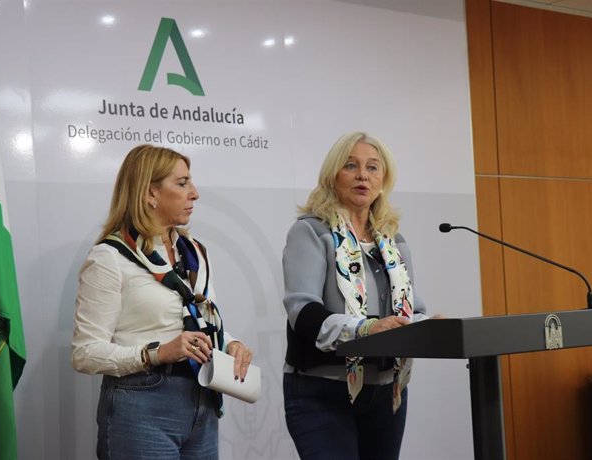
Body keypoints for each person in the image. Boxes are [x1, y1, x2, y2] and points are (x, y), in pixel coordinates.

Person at [72, 144, 253, 460]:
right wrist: (157, 353)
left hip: (202, 400)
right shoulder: (109, 258)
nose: (194, 193)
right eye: (182, 183)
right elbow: (85, 353)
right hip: (141, 405)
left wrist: (231, 343)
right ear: (149, 194)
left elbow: (199, 318)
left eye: (190, 182)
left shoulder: (194, 251)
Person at [282, 132, 428, 460]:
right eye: (351, 165)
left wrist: (431, 326)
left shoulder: (394, 241)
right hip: (322, 390)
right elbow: (302, 311)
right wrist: (365, 330)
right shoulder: (311, 231)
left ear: (383, 180)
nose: (363, 175)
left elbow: (410, 311)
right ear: (333, 176)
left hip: (386, 392)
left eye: (373, 168)